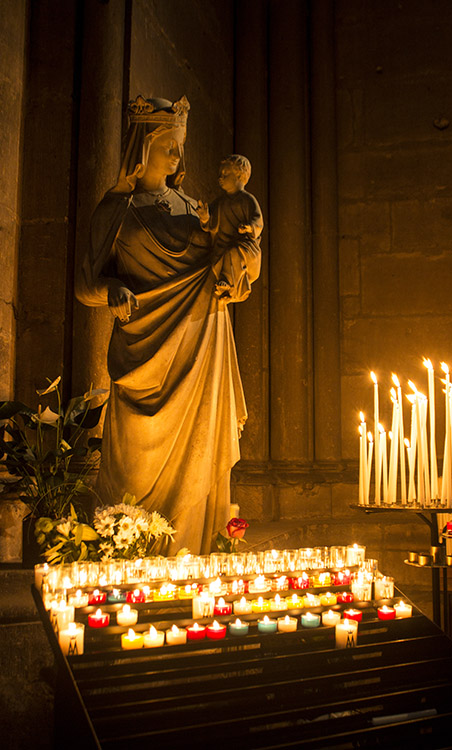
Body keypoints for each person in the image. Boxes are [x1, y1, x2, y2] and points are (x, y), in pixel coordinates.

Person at [75, 95, 262, 554]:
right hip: (143, 350)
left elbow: (226, 261)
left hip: (200, 345)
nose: (178, 157)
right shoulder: (115, 210)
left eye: (179, 146)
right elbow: (85, 285)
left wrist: (242, 263)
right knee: (133, 471)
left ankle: (193, 554)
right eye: (169, 146)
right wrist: (110, 291)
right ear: (142, 149)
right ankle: (129, 552)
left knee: (199, 466)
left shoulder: (195, 207)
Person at [196, 154, 263, 301]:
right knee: (219, 259)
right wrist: (205, 217)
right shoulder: (220, 202)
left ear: (239, 176)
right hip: (222, 247)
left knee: (233, 253)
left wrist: (249, 227)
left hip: (246, 248)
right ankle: (226, 290)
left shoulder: (247, 200)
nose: (220, 177)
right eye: (220, 174)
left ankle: (229, 284)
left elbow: (258, 221)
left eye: (225, 174)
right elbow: (210, 224)